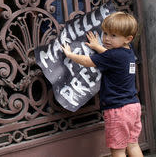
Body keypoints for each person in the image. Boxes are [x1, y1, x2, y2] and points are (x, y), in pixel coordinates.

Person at [61, 12, 143, 157]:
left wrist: (70, 55)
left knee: (117, 150)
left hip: (118, 110)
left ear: (128, 39)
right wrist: (97, 46)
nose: (106, 38)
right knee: (133, 144)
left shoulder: (113, 55)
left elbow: (88, 61)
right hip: (133, 107)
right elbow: (109, 56)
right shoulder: (127, 52)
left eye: (113, 36)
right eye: (105, 33)